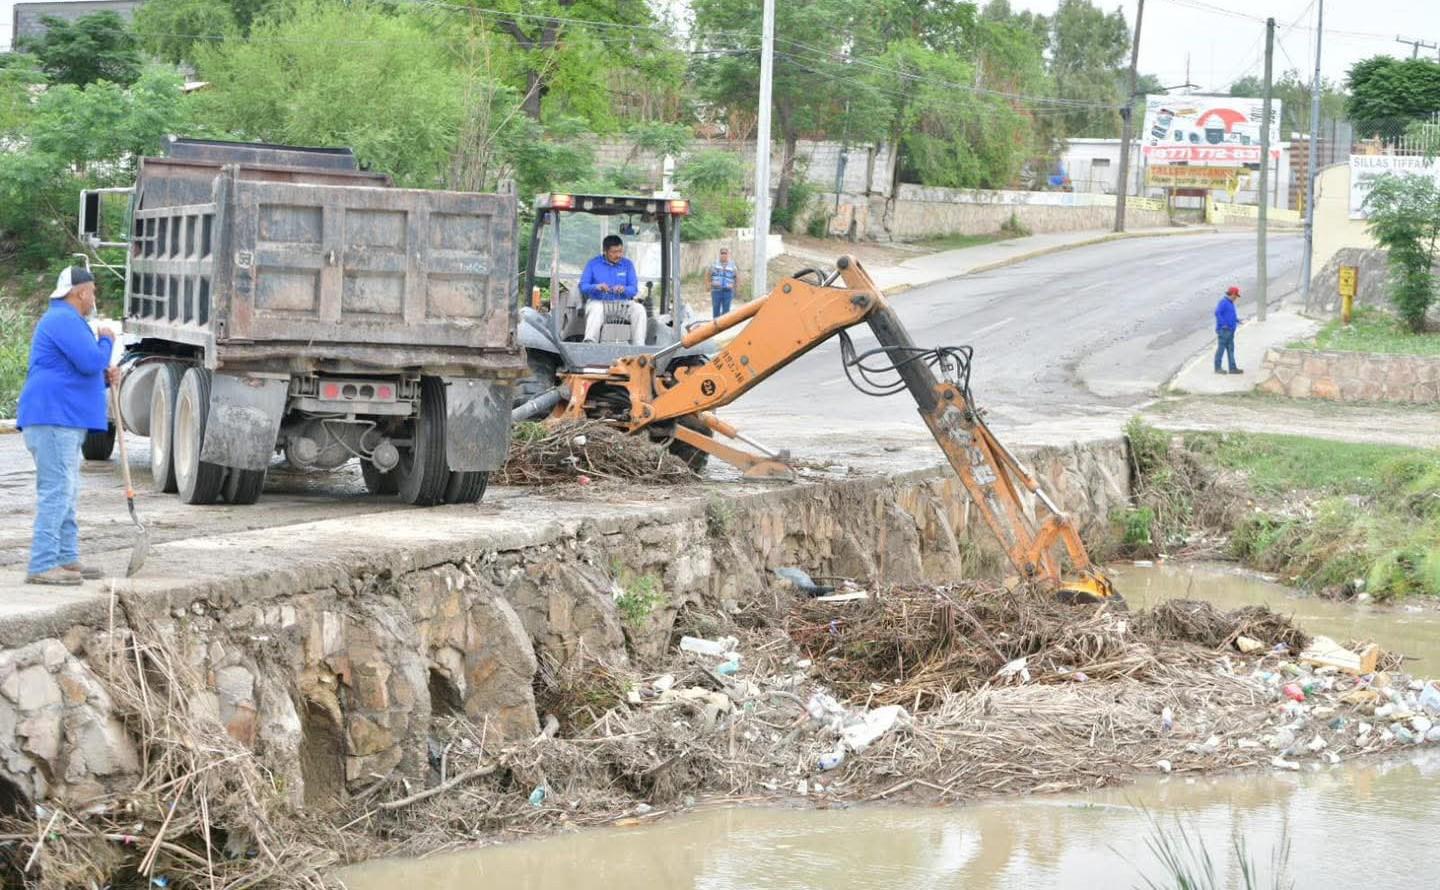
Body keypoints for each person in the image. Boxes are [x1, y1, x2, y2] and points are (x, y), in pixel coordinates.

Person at [17, 266, 118, 586]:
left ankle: (66, 557)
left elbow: (80, 372)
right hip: (53, 418)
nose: (95, 297)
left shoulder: (67, 320)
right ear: (80, 292)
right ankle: (43, 563)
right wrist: (105, 342)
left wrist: (103, 378)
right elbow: (89, 361)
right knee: (58, 490)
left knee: (67, 489)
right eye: (93, 291)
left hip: (61, 416)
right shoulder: (63, 319)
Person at [580, 234, 645, 345]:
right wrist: (596, 287)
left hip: (622, 304)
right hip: (599, 302)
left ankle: (639, 345)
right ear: (605, 251)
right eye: (614, 252)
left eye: (620, 251)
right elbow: (583, 286)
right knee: (596, 309)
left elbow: (633, 289)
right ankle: (590, 343)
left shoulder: (627, 265)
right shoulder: (593, 264)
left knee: (639, 309)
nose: (618, 255)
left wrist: (624, 289)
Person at [1214, 285, 1243, 375]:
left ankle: (1232, 368)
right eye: (1236, 296)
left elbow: (1230, 315)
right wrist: (1223, 325)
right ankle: (1218, 368)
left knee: (1231, 350)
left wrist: (1237, 320)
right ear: (1233, 294)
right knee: (1221, 349)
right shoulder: (1223, 302)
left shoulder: (1230, 303)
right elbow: (1217, 313)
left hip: (1230, 331)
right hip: (1224, 331)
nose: (1236, 298)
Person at [709, 247, 738, 319]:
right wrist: (709, 284)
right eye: (722, 253)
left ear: (728, 254)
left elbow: (737, 277)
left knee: (726, 313)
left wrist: (734, 286)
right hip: (716, 291)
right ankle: (715, 329)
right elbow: (708, 274)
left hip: (727, 292)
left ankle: (724, 328)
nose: (723, 255)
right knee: (716, 311)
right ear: (720, 254)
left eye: (725, 253)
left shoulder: (732, 265)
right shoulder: (714, 264)